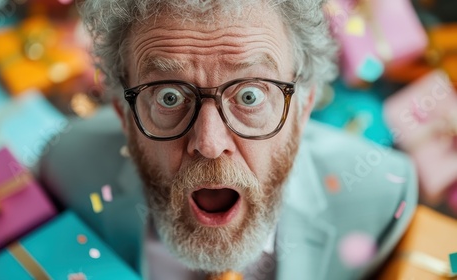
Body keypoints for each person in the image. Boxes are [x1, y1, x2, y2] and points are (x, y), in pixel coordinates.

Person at [39, 0, 418, 279]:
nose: (209, 141)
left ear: (304, 109)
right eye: (169, 96)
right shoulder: (68, 171)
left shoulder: (382, 202)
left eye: (250, 95)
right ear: (124, 116)